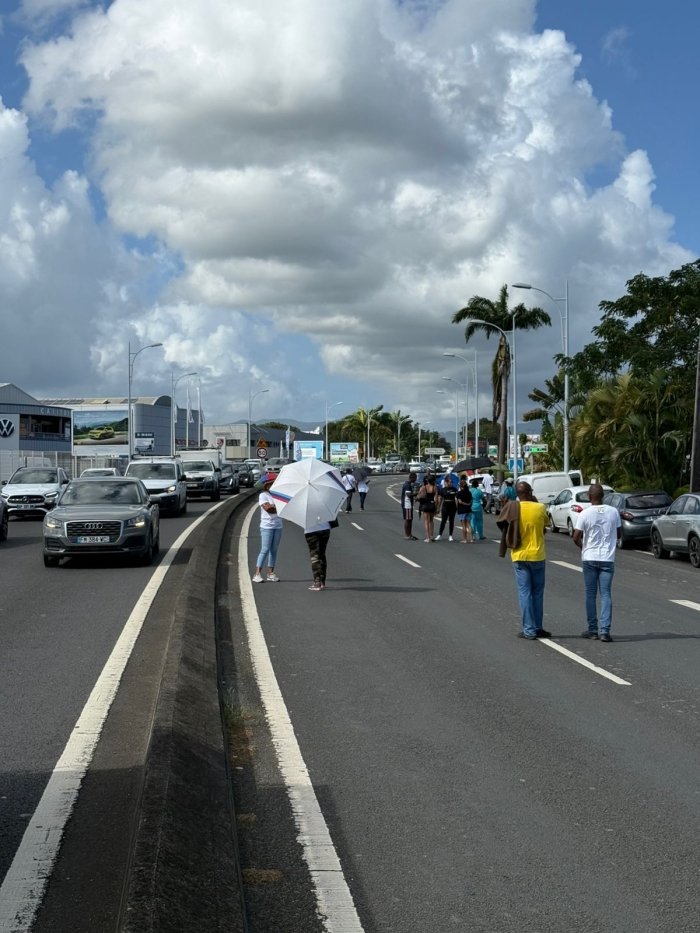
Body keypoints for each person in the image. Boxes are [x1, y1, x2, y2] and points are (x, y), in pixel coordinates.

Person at [498, 481, 550, 639]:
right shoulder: (540, 508)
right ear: (530, 492)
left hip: (519, 555)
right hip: (537, 556)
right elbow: (544, 527)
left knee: (525, 593)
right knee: (538, 593)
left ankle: (529, 630)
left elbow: (503, 525)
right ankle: (538, 626)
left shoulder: (512, 508)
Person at [572, 484, 621, 642]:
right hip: (607, 558)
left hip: (590, 558)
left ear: (589, 496)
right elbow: (618, 533)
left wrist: (583, 547)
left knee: (590, 594)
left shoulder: (585, 513)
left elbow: (576, 536)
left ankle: (592, 630)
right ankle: (605, 631)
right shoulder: (613, 511)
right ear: (603, 496)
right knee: (606, 594)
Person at [253, 473, 282, 583]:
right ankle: (257, 573)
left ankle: (270, 573)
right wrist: (278, 507)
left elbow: (281, 507)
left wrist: (275, 507)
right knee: (265, 549)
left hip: (278, 525)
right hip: (266, 526)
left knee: (274, 550)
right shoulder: (263, 495)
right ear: (267, 485)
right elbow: (268, 509)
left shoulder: (278, 495)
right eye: (272, 483)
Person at [305, 519, 331, 591]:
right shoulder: (324, 506)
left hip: (311, 530)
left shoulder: (305, 507)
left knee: (315, 556)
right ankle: (322, 581)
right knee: (322, 554)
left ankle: (317, 582)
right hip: (325, 528)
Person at [435, 474, 457, 541]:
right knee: (443, 521)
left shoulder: (454, 489)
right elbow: (440, 499)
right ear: (446, 482)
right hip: (445, 506)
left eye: (452, 482)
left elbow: (457, 498)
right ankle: (440, 534)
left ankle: (450, 535)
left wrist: (457, 507)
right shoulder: (443, 490)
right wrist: (438, 508)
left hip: (452, 506)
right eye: (450, 482)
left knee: (451, 521)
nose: (451, 483)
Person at [418, 473, 438, 542]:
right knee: (431, 521)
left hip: (425, 505)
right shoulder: (434, 488)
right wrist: (436, 507)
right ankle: (432, 536)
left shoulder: (424, 487)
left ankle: (428, 537)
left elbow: (419, 494)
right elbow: (436, 498)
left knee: (426, 522)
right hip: (432, 504)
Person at [456, 476, 473, 544]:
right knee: (468, 524)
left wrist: (466, 504)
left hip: (462, 510)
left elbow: (459, 502)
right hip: (468, 510)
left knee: (463, 525)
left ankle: (464, 539)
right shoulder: (469, 492)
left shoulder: (459, 493)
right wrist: (469, 504)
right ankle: (471, 539)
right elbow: (471, 500)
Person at [401, 472, 418, 540]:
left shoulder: (407, 484)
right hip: (407, 504)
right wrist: (416, 493)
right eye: (415, 478)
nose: (415, 480)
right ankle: (407, 534)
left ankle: (410, 534)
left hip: (408, 504)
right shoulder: (407, 485)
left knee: (410, 519)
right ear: (412, 478)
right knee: (408, 520)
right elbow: (408, 495)